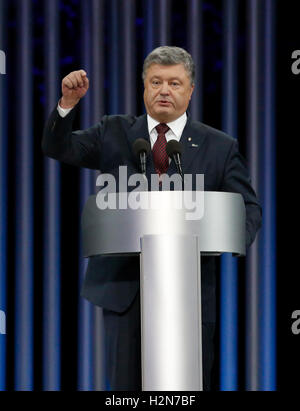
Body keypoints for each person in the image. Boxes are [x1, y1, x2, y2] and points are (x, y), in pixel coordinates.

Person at [42, 46, 262, 391]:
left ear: (191, 90)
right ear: (143, 87)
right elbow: (59, 148)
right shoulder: (113, 132)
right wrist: (67, 104)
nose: (164, 90)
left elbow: (248, 207)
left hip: (189, 292)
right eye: (155, 81)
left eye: (175, 83)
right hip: (123, 290)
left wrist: (230, 239)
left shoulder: (218, 146)